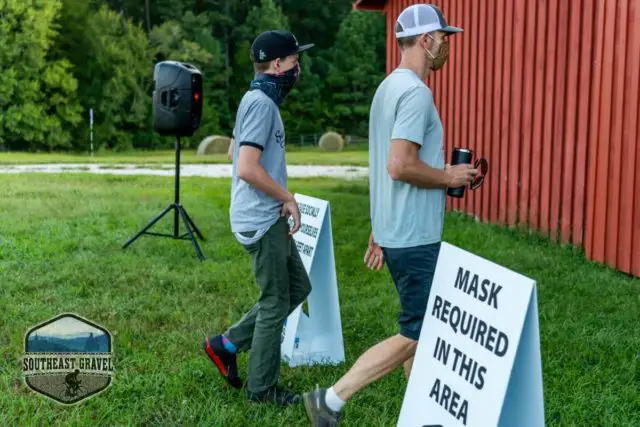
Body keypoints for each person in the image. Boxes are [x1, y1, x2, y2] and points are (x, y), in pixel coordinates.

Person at [302, 4, 477, 425]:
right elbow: (399, 165)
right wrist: (449, 174)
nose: (447, 46)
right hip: (415, 237)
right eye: (444, 38)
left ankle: (421, 413)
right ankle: (331, 400)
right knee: (416, 332)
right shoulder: (417, 93)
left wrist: (378, 229)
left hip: (397, 232)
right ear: (425, 41)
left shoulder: (388, 88)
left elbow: (383, 164)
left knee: (421, 330)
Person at [202, 29, 315, 406]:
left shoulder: (257, 99)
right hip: (261, 219)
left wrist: (277, 193)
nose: (299, 67)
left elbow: (233, 152)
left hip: (267, 213)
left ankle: (227, 344)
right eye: (295, 60)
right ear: (279, 64)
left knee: (298, 288)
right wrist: (287, 197)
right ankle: (262, 390)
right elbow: (247, 167)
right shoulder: (261, 104)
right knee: (274, 301)